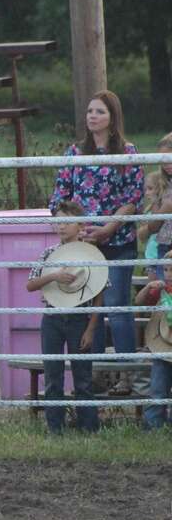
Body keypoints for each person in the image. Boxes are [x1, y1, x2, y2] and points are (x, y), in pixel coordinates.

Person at [49, 91, 144, 362]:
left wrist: (108, 228)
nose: (92, 116)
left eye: (100, 111)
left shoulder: (128, 152)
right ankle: (96, 373)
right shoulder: (74, 152)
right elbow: (59, 197)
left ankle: (126, 373)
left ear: (113, 118)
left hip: (118, 241)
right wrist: (74, 228)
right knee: (91, 308)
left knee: (116, 306)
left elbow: (133, 198)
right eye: (90, 111)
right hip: (84, 243)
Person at [26, 201, 102, 434]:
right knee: (53, 374)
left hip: (79, 318)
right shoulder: (48, 254)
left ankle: (88, 427)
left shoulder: (91, 255)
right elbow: (30, 284)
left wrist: (90, 329)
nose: (61, 227)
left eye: (67, 222)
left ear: (80, 225)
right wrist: (53, 276)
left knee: (83, 376)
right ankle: (55, 429)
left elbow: (99, 294)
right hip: (52, 318)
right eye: (58, 221)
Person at [136, 275, 172, 430]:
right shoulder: (161, 289)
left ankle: (155, 426)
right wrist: (148, 287)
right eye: (165, 269)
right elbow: (139, 302)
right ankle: (153, 426)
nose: (168, 273)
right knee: (157, 389)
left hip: (163, 342)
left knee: (158, 388)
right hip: (163, 344)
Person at [138, 131, 172, 282]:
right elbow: (154, 223)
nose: (166, 164)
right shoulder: (163, 183)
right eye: (162, 160)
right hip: (164, 244)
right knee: (164, 290)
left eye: (169, 158)